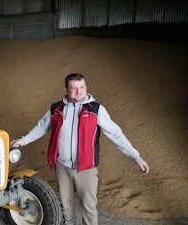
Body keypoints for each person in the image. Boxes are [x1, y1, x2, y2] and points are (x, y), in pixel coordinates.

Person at [10, 73, 149, 225]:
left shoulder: (96, 109)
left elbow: (116, 134)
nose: (78, 91)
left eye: (82, 87)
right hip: (62, 166)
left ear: (86, 87)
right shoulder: (56, 109)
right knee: (66, 207)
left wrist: (136, 157)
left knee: (89, 209)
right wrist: (22, 141)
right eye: (73, 88)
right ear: (66, 90)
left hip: (86, 168)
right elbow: (41, 128)